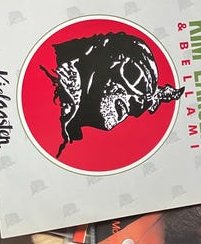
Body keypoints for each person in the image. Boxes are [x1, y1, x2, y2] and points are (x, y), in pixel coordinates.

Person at [40, 32, 184, 158]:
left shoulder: (66, 139)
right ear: (100, 57)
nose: (136, 100)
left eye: (143, 98)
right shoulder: (49, 75)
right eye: (134, 75)